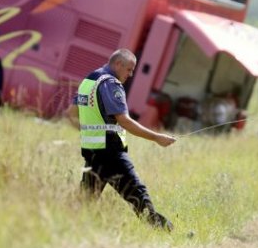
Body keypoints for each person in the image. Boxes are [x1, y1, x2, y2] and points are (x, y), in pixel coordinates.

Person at [67, 48, 176, 231]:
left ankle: (69, 230)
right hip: (111, 152)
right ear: (118, 64)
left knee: (85, 201)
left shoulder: (89, 80)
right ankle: (166, 232)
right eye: (129, 69)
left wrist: (88, 131)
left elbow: (70, 114)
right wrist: (157, 137)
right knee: (137, 195)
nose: (131, 74)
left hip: (92, 152)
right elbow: (124, 121)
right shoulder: (111, 83)